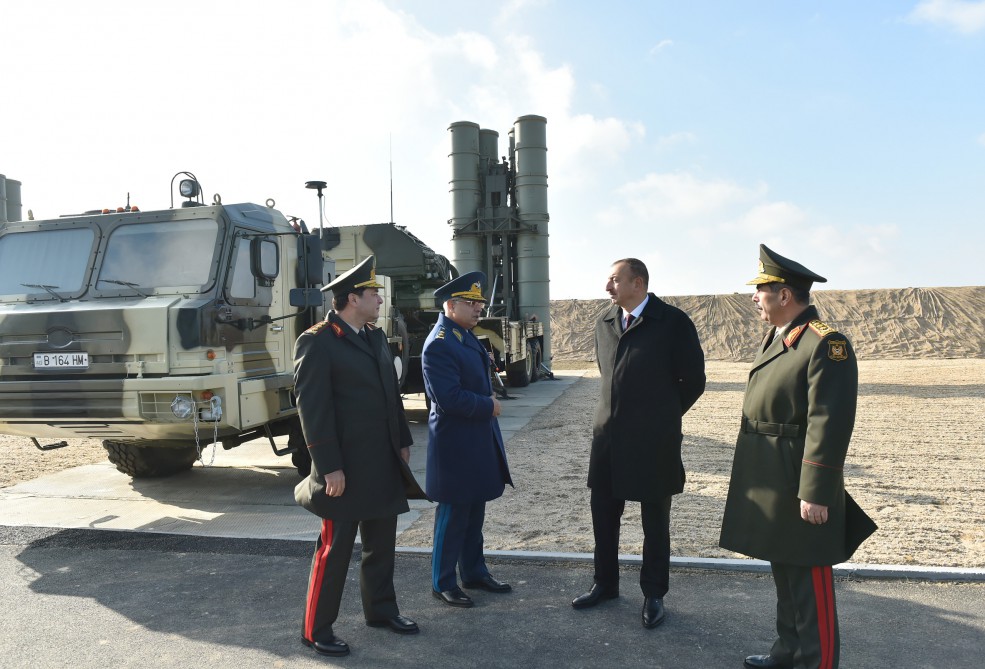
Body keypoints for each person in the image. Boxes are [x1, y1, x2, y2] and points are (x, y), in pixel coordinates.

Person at [719, 244, 877, 669]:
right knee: (785, 576)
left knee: (809, 582)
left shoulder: (827, 343)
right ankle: (787, 652)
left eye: (761, 290)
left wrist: (817, 492)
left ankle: (818, 662)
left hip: (799, 482)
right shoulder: (779, 336)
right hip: (772, 478)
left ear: (784, 295)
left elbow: (830, 423)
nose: (754, 297)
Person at [293, 255, 426, 658]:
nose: (380, 300)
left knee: (381, 545)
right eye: (374, 294)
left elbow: (391, 396)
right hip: (344, 469)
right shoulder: (317, 340)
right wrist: (329, 466)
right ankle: (316, 629)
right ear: (352, 298)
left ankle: (381, 611)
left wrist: (402, 440)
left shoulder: (373, 337)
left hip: (382, 462)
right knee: (334, 552)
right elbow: (312, 410)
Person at [572, 258, 706, 629]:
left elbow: (693, 380)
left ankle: (654, 594)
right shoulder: (605, 323)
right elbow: (608, 376)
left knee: (655, 522)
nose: (607, 287)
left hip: (654, 442)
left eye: (614, 280)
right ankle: (605, 584)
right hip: (608, 440)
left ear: (639, 283)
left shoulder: (673, 323)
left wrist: (661, 416)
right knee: (603, 514)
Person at [423, 271, 514, 608]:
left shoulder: (463, 335)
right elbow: (449, 399)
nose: (479, 308)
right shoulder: (440, 344)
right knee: (453, 515)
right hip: (456, 446)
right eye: (472, 302)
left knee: (474, 511)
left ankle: (474, 572)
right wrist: (488, 405)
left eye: (480, 302)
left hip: (475, 441)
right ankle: (443, 581)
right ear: (451, 305)